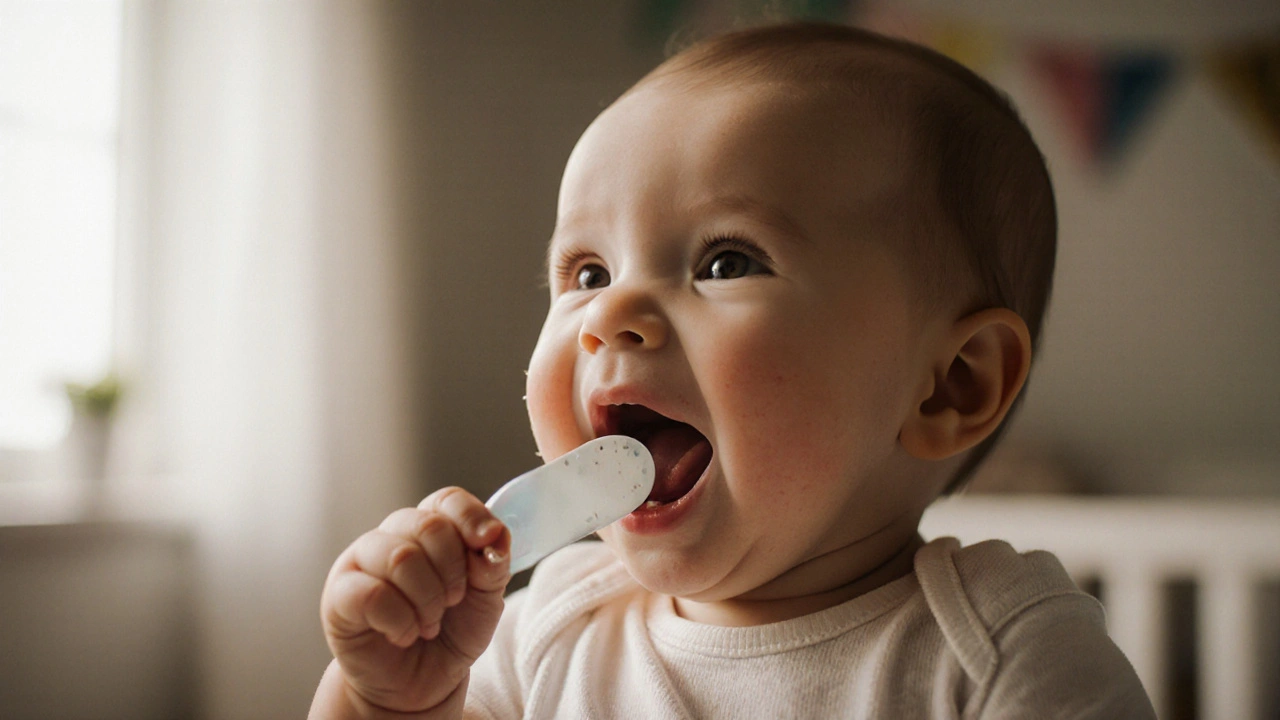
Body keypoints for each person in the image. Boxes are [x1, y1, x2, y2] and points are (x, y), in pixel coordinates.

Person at [308, 22, 1156, 719]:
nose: (609, 315)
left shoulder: (1002, 658)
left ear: (950, 384)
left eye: (725, 263)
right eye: (589, 273)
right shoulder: (542, 637)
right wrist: (387, 700)